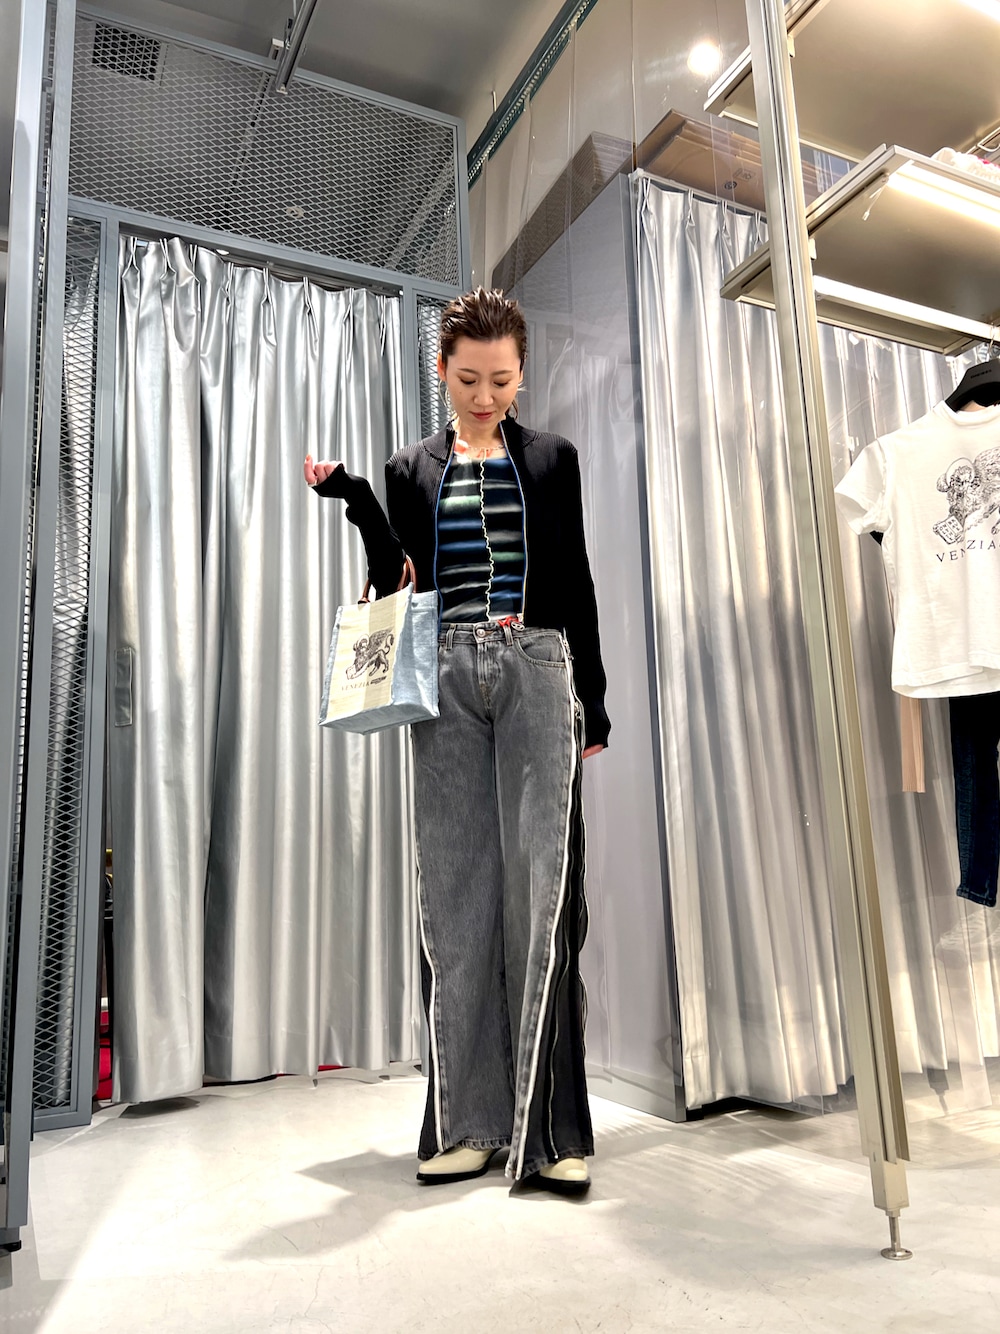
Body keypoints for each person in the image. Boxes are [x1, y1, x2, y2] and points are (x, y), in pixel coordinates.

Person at [304, 287, 609, 1194]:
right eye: (469, 379)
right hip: (443, 677)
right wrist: (359, 499)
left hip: (538, 669)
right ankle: (468, 1122)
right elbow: (396, 579)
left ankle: (551, 1133)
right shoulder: (411, 468)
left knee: (545, 898)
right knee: (456, 897)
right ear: (442, 371)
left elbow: (576, 579)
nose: (485, 396)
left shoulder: (552, 459)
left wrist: (594, 702)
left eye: (501, 380)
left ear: (521, 373)